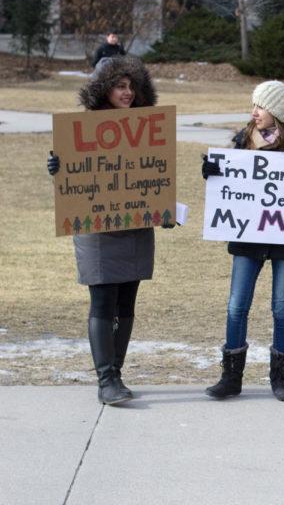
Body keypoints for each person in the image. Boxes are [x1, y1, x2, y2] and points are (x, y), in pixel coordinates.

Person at [201, 81, 284, 402]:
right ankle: (231, 377)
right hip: (248, 235)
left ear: (278, 112)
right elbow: (231, 185)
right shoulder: (243, 140)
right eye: (253, 105)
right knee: (236, 305)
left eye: (261, 106)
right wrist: (213, 172)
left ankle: (280, 379)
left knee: (282, 306)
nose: (254, 112)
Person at [46, 56, 162, 405]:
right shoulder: (82, 130)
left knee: (127, 299)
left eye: (131, 86)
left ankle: (118, 374)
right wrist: (58, 168)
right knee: (103, 298)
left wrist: (164, 204)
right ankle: (106, 379)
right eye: (119, 86)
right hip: (97, 227)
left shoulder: (147, 128)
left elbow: (155, 175)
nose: (127, 93)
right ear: (103, 89)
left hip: (136, 227)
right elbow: (75, 180)